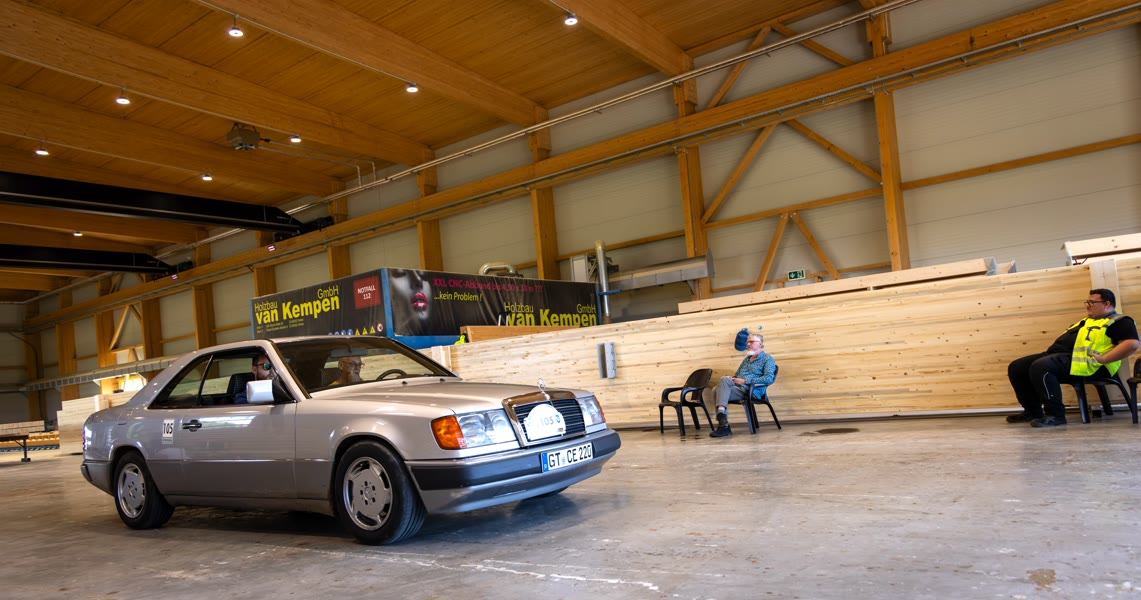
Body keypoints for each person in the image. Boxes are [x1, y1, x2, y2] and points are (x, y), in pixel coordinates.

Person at [1006, 288, 1139, 427]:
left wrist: (1104, 359)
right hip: (1063, 357)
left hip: (1091, 364)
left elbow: (1132, 344)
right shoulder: (1087, 321)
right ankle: (1032, 412)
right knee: (1017, 367)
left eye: (1092, 302)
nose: (1088, 305)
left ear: (1107, 304)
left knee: (1042, 366)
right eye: (1087, 302)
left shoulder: (1119, 321)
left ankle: (1055, 415)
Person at [710, 332, 777, 438]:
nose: (748, 344)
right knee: (719, 385)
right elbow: (737, 375)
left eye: (751, 342)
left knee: (717, 389)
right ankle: (723, 421)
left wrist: (745, 381)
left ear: (760, 344)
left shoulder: (768, 359)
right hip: (739, 388)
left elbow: (769, 378)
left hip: (751, 390)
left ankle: (723, 424)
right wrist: (733, 378)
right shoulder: (747, 359)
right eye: (747, 342)